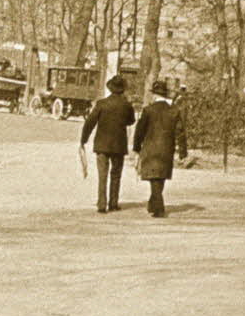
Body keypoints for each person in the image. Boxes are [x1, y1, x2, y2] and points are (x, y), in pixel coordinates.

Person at [80, 74, 136, 213]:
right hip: (119, 144)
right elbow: (131, 121)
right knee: (116, 174)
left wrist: (84, 139)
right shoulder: (127, 105)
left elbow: (90, 122)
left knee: (102, 174)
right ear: (122, 89)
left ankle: (101, 203)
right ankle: (113, 203)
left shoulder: (101, 103)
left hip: (102, 144)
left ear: (110, 88)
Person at [133, 79, 188, 218]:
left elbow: (140, 130)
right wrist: (183, 152)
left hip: (150, 147)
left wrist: (136, 147)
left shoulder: (148, 110)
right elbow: (181, 132)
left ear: (154, 95)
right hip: (167, 148)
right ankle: (153, 203)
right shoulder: (174, 111)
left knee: (153, 176)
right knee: (160, 176)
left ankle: (158, 207)